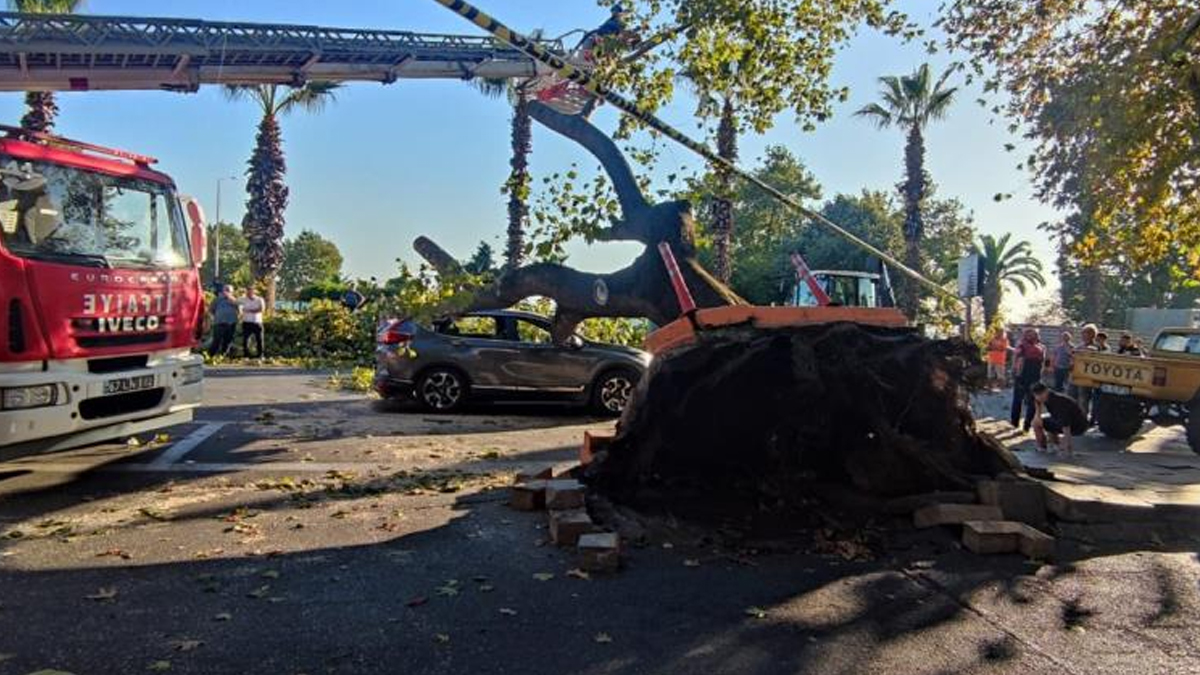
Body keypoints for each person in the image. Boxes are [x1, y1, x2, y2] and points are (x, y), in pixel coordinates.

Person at [1031, 382, 1088, 456]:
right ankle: (1049, 445)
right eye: (1037, 395)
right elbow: (1038, 414)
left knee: (1041, 422)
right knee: (1037, 422)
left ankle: (1057, 446)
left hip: (1077, 425)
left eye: (1041, 394)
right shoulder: (1044, 398)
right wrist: (1038, 412)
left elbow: (1066, 425)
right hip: (1064, 421)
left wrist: (1068, 447)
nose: (1039, 397)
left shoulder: (1058, 402)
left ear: (1046, 391)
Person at [1010, 328, 1047, 432]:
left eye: (1033, 334)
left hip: (1035, 377)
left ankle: (1027, 425)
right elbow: (1017, 359)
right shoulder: (1022, 345)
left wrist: (1041, 376)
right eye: (1028, 334)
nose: (1030, 336)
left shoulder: (1042, 347)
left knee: (1032, 402)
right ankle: (1015, 424)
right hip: (1022, 375)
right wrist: (1015, 373)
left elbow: (1043, 363)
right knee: (1018, 400)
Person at [1073, 323, 1099, 421]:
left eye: (1087, 333)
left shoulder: (1096, 347)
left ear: (1093, 335)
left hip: (1087, 377)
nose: (1084, 335)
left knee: (1083, 399)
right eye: (1083, 333)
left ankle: (1083, 419)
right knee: (1072, 397)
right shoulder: (1079, 346)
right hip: (1076, 375)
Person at [209, 285, 239, 356]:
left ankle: (223, 355)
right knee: (217, 340)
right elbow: (211, 310)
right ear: (223, 291)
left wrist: (234, 302)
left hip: (231, 323)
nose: (227, 292)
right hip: (219, 323)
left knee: (228, 340)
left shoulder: (235, 300)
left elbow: (240, 310)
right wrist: (215, 317)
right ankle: (211, 355)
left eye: (229, 291)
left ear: (232, 292)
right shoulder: (217, 300)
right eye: (226, 290)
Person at [239, 286, 266, 359]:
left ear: (253, 292)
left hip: (257, 322)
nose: (248, 293)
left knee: (259, 339)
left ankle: (260, 355)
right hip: (246, 322)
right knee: (245, 340)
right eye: (247, 292)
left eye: (250, 291)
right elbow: (236, 304)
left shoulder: (259, 299)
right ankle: (246, 355)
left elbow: (262, 309)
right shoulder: (242, 299)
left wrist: (249, 310)